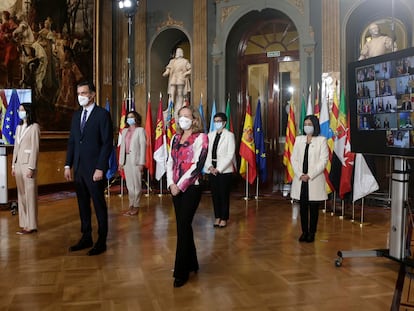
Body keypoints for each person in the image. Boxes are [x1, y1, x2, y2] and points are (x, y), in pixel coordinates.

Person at [64, 81, 113, 256]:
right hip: (78, 169)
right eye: (78, 93)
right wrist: (67, 164)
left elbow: (107, 143)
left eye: (84, 93)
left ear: (92, 94)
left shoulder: (102, 115)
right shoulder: (77, 116)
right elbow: (72, 142)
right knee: (82, 204)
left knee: (99, 205)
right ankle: (86, 236)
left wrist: (101, 167)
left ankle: (101, 240)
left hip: (95, 170)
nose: (80, 97)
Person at [166, 106, 208, 287]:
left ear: (194, 119)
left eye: (187, 116)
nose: (183, 119)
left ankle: (181, 271)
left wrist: (180, 185)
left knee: (183, 225)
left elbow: (197, 165)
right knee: (183, 226)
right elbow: (170, 162)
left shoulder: (201, 138)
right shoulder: (175, 138)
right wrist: (170, 184)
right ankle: (192, 262)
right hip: (174, 187)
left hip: (191, 187)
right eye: (180, 116)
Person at [290, 115, 328, 243]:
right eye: (305, 124)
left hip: (314, 179)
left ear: (315, 125)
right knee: (303, 207)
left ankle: (312, 232)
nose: (307, 126)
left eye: (310, 124)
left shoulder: (321, 140)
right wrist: (300, 174)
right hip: (300, 179)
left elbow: (323, 161)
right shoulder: (299, 139)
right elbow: (293, 159)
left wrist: (309, 175)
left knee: (313, 208)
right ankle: (304, 232)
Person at [11, 103, 40, 234]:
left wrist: (31, 167)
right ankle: (24, 223)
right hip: (18, 165)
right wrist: (13, 164)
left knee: (30, 195)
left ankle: (32, 225)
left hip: (28, 165)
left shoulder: (34, 127)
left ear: (28, 112)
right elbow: (16, 148)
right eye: (19, 110)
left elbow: (35, 148)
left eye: (22, 110)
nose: (20, 112)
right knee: (21, 195)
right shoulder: (18, 128)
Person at [204, 112, 235, 228]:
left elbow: (230, 154)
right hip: (212, 169)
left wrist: (219, 169)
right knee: (215, 195)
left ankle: (224, 218)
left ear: (224, 122)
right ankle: (217, 217)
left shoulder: (229, 135)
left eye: (219, 121)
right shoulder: (210, 135)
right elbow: (206, 153)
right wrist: (210, 167)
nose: (217, 123)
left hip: (224, 171)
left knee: (223, 195)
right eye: (215, 121)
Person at [118, 110, 146, 216]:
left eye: (132, 117)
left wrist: (141, 163)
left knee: (137, 184)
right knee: (129, 185)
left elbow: (143, 147)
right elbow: (122, 148)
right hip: (126, 160)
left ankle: (136, 205)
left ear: (136, 119)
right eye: (128, 117)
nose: (130, 119)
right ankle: (131, 205)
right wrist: (121, 162)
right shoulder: (125, 131)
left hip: (136, 161)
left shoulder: (140, 130)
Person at [162, 47, 191, 114]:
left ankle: (179, 108)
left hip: (181, 78)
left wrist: (185, 73)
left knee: (180, 94)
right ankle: (170, 108)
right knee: (171, 94)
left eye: (179, 52)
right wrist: (166, 72)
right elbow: (168, 68)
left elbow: (190, 69)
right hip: (173, 79)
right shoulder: (172, 61)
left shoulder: (185, 61)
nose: (177, 53)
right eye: (177, 52)